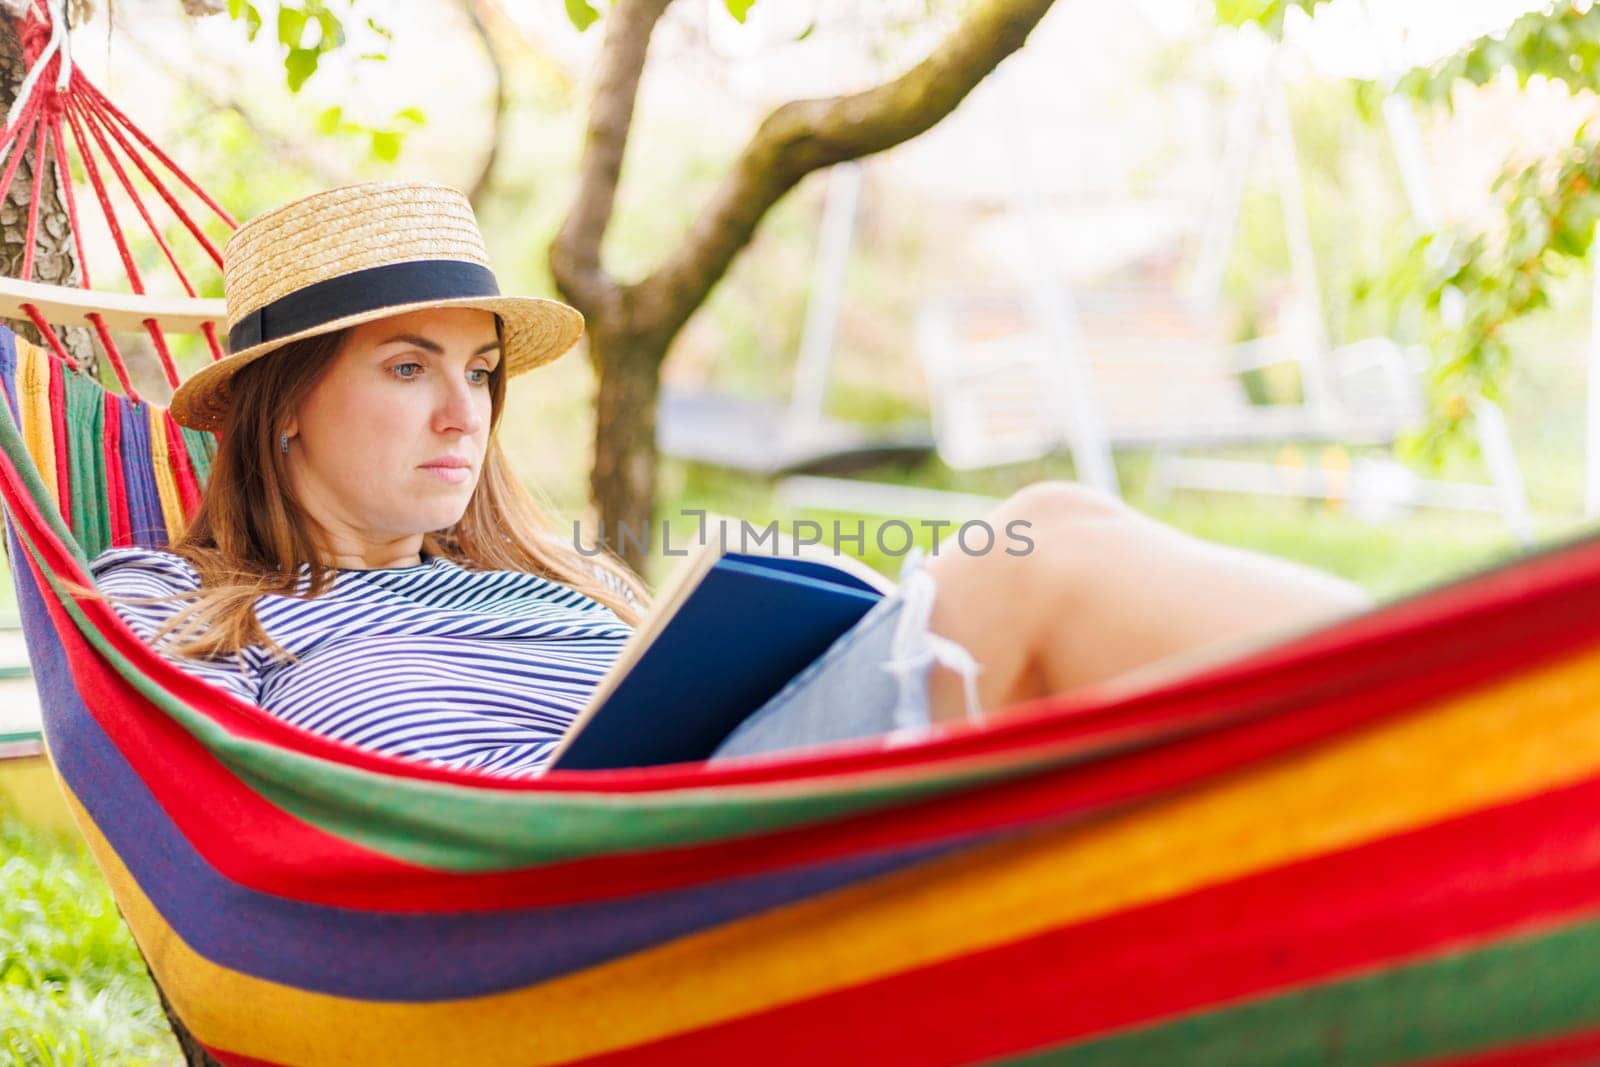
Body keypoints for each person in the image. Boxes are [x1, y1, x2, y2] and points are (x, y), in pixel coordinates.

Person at [94, 181, 1369, 777]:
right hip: (551, 887)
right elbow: (204, 795)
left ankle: (1435, 735)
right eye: (408, 367)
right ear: (280, 412)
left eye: (480, 372)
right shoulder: (182, 595)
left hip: (716, 812)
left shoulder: (548, 579)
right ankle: (1451, 695)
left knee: (1063, 531)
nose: (461, 411)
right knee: (1045, 542)